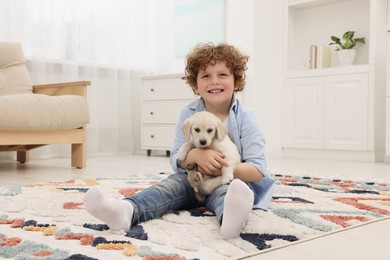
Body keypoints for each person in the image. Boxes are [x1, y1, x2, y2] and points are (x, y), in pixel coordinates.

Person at [83, 42, 276, 239]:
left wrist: (223, 168)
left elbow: (258, 170)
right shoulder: (188, 114)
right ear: (195, 84)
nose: (214, 81)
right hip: (192, 180)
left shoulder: (245, 117)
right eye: (206, 75)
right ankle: (125, 210)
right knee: (168, 187)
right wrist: (192, 155)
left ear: (236, 81)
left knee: (227, 196)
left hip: (227, 181)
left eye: (223, 74)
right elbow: (176, 158)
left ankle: (231, 221)